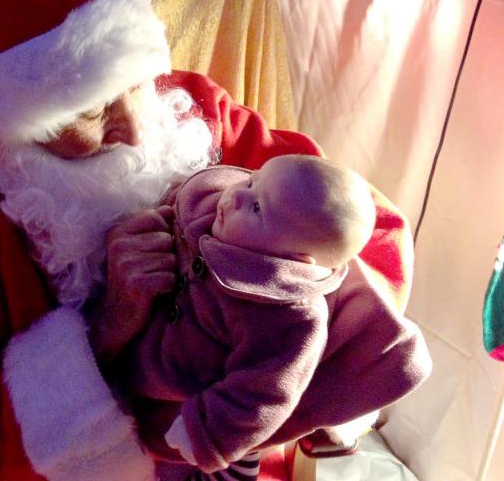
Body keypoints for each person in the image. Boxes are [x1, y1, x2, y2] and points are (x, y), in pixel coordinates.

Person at [0, 0, 430, 481]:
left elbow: (365, 228)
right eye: (90, 114)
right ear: (14, 125)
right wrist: (106, 330)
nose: (136, 130)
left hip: (232, 447)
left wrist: (288, 348)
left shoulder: (192, 109)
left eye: (137, 85)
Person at [111, 156, 421, 479]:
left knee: (232, 458)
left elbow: (264, 394)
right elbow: (173, 223)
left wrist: (205, 432)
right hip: (140, 375)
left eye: (258, 209)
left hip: (195, 412)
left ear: (294, 259)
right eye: (251, 180)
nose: (236, 196)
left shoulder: (290, 319)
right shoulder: (210, 212)